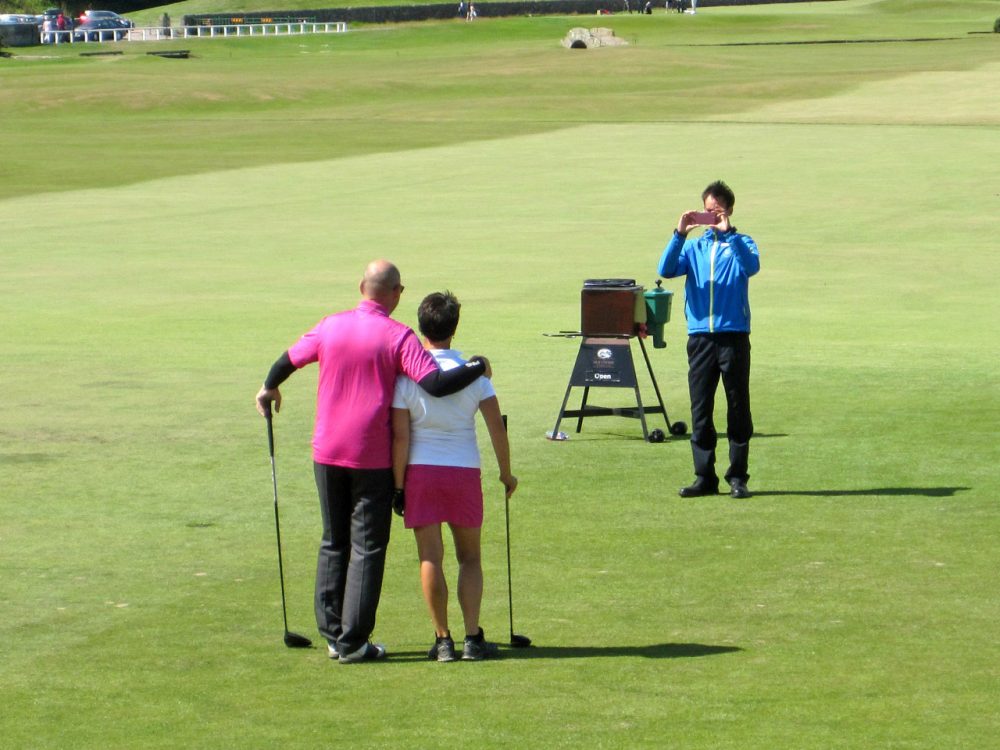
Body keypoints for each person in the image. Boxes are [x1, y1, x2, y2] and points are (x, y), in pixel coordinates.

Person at [255, 260, 492, 664]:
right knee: (367, 547)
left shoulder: (330, 325)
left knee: (334, 540)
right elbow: (435, 384)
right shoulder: (398, 336)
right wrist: (477, 364)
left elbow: (287, 360)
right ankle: (353, 643)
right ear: (397, 294)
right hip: (372, 457)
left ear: (361, 286)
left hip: (326, 451)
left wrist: (268, 387)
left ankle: (333, 635)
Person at [391, 291, 517, 662]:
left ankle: (442, 639)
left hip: (421, 473)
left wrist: (398, 486)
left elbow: (400, 437)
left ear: (421, 329)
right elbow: (497, 429)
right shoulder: (475, 374)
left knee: (430, 557)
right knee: (470, 559)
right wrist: (506, 474)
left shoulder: (407, 377)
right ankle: (472, 638)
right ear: (454, 328)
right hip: (463, 471)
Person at [657, 180, 760, 499]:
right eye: (707, 210)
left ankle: (738, 477)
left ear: (728, 210)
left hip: (733, 336)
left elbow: (751, 267)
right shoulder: (694, 247)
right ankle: (705, 476)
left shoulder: (743, 242)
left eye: (716, 210)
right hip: (700, 337)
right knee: (700, 409)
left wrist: (729, 234)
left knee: (738, 408)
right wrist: (680, 233)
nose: (711, 215)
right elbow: (666, 268)